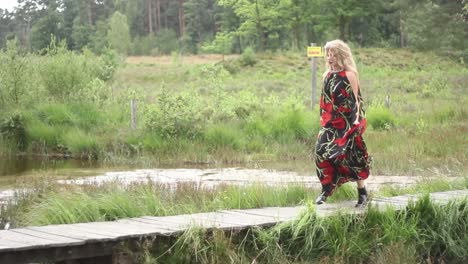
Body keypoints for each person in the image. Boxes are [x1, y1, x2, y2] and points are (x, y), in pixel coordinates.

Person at [314, 39, 371, 207]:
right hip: (331, 122)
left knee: (352, 156)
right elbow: (324, 100)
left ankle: (362, 193)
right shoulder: (327, 75)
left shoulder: (350, 74)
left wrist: (356, 120)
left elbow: (357, 99)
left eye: (333, 55)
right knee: (320, 152)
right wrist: (323, 118)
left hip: (349, 122)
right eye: (328, 55)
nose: (329, 58)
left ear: (341, 56)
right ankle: (326, 189)